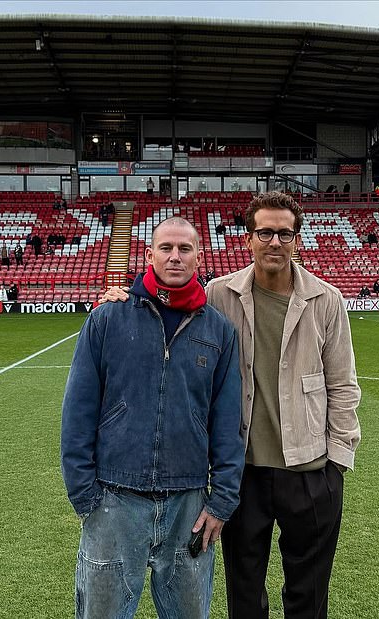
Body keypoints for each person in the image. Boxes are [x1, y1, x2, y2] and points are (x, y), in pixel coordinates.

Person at [102, 192, 361, 619]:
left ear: (297, 240)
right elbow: (171, 307)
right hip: (244, 475)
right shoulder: (220, 294)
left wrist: (336, 463)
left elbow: (343, 386)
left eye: (284, 233)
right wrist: (125, 301)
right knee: (244, 595)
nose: (274, 242)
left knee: (309, 596)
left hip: (311, 472)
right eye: (265, 232)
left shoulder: (326, 300)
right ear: (248, 239)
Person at [62, 216, 244, 619]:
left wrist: (222, 502)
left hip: (189, 504)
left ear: (199, 257)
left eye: (184, 249)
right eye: (166, 248)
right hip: (113, 497)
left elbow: (228, 422)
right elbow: (78, 410)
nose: (175, 257)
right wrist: (85, 494)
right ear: (149, 255)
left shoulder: (218, 331)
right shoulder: (108, 319)